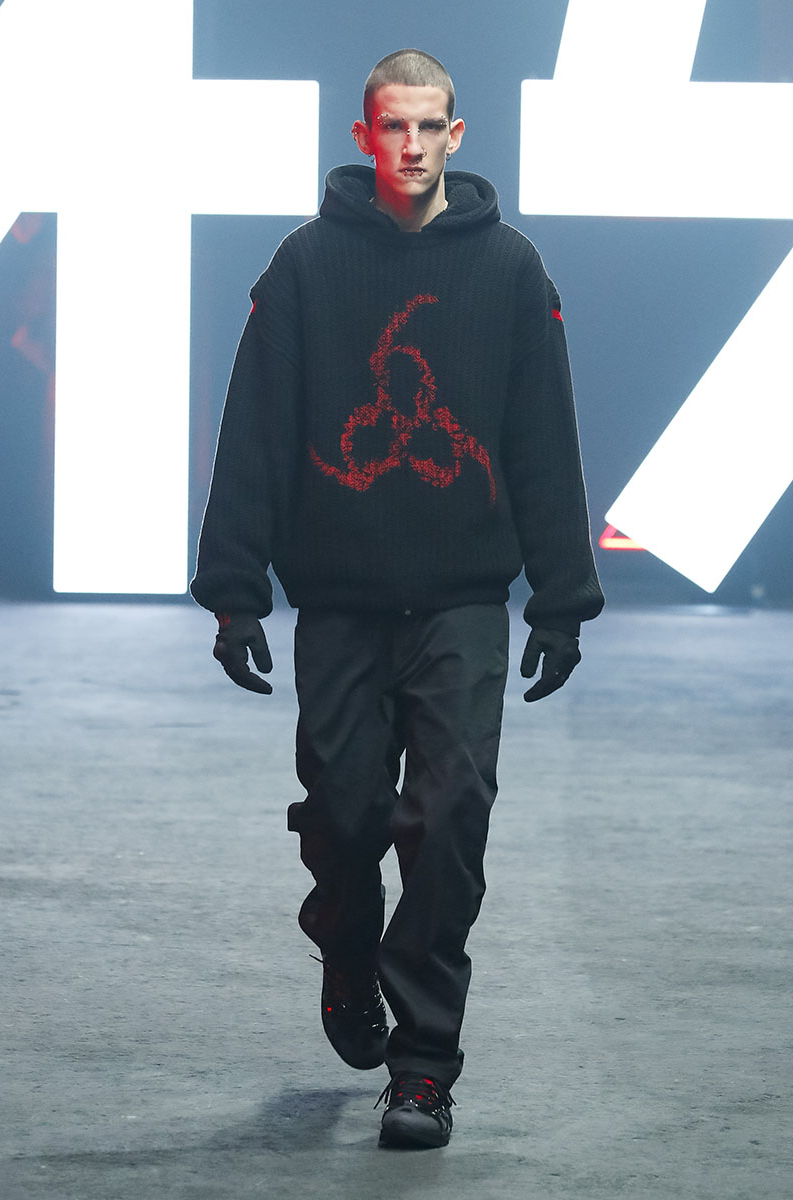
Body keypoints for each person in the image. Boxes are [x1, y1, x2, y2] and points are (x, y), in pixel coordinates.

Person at [190, 48, 604, 1150]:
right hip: (340, 600)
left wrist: (560, 600)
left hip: (463, 598)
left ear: (455, 135)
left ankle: (422, 1068)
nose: (411, 146)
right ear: (363, 135)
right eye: (392, 127)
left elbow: (540, 437)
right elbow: (257, 427)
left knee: (449, 816)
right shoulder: (305, 264)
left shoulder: (510, 269)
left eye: (429, 127)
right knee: (343, 814)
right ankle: (343, 943)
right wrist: (233, 593)